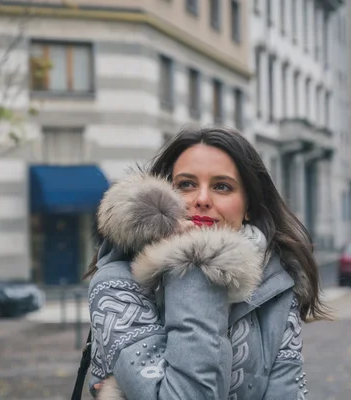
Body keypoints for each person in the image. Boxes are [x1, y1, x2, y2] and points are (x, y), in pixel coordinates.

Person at [84, 126, 330, 399]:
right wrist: (196, 258)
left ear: (248, 206)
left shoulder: (276, 287)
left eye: (222, 186)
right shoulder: (117, 283)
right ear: (161, 197)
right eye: (186, 185)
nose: (201, 200)